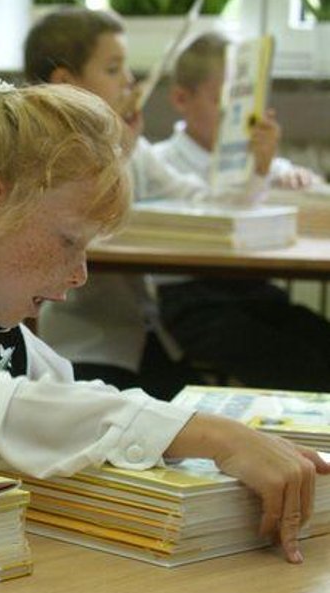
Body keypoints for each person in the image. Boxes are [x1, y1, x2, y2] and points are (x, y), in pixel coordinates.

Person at [0, 70, 329, 564]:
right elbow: (6, 411)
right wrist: (214, 434)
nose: (80, 274)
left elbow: (69, 399)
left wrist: (219, 437)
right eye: (69, 241)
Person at [25, 7, 281, 400]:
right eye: (113, 69)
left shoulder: (133, 148)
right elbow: (90, 229)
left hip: (147, 337)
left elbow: (203, 201)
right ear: (65, 82)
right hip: (90, 344)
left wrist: (256, 168)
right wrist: (120, 153)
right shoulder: (41, 153)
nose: (130, 81)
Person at [151, 31, 330, 391]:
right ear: (181, 99)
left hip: (255, 292)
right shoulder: (161, 162)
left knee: (319, 341)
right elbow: (213, 214)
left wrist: (300, 180)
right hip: (192, 301)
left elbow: (313, 192)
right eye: (224, 101)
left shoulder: (262, 161)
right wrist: (260, 174)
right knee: (299, 365)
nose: (239, 116)